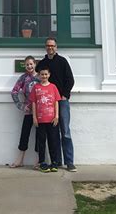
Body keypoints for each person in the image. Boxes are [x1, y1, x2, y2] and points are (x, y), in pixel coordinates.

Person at [36, 36, 77, 172]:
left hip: (62, 102)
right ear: (45, 47)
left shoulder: (62, 62)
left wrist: (64, 95)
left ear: (56, 47)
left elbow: (70, 80)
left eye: (52, 45)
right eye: (48, 45)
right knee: (53, 133)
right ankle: (57, 161)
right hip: (48, 104)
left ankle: (69, 162)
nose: (50, 48)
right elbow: (37, 75)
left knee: (65, 131)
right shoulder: (42, 64)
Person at [28, 66, 60, 173]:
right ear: (39, 75)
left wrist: (56, 116)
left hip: (52, 120)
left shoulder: (53, 87)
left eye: (46, 74)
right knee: (41, 142)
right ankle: (42, 162)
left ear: (49, 75)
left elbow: (56, 102)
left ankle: (54, 162)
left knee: (53, 141)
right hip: (40, 120)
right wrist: (34, 117)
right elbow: (33, 102)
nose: (44, 76)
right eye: (42, 74)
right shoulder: (36, 87)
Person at [9, 55, 39, 168]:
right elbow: (14, 92)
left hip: (40, 113)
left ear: (35, 64)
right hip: (29, 112)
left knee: (39, 136)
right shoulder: (23, 78)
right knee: (24, 134)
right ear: (25, 66)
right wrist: (21, 106)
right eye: (27, 64)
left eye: (31, 64)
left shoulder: (41, 77)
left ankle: (39, 161)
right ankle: (20, 160)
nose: (29, 66)